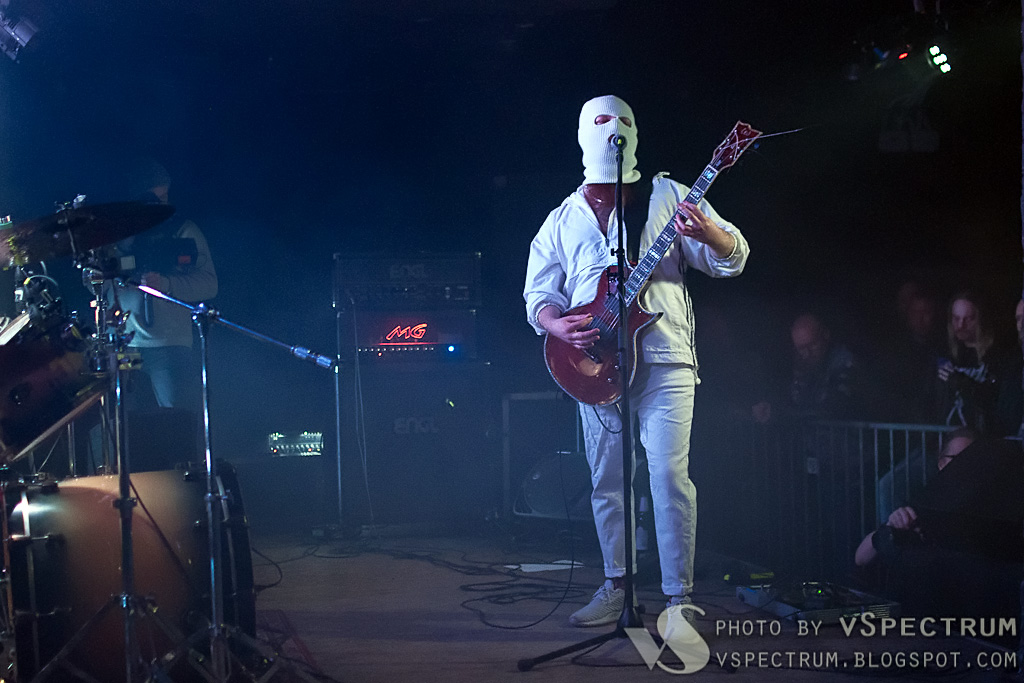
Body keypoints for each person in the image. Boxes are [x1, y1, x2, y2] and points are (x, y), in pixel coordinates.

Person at [523, 95, 749, 628]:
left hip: (665, 356)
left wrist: (710, 234)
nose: (614, 130)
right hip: (593, 362)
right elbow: (538, 294)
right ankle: (616, 585)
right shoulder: (563, 218)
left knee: (669, 475)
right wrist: (556, 324)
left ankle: (678, 598)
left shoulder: (669, 195)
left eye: (623, 121)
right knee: (607, 479)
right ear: (584, 133)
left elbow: (733, 257)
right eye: (602, 122)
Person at [114, 160, 217, 418]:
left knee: (175, 422)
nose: (159, 204)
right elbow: (98, 281)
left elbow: (209, 283)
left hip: (170, 347)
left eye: (164, 197)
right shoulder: (116, 234)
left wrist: (167, 284)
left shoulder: (183, 230)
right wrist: (122, 247)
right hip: (126, 347)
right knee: (127, 424)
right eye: (152, 198)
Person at [937, 291, 1021, 436]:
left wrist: (963, 383)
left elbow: (998, 400)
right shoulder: (945, 355)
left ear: (980, 318)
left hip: (985, 436)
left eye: (968, 318)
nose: (961, 325)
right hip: (947, 436)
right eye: (956, 318)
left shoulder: (999, 357)